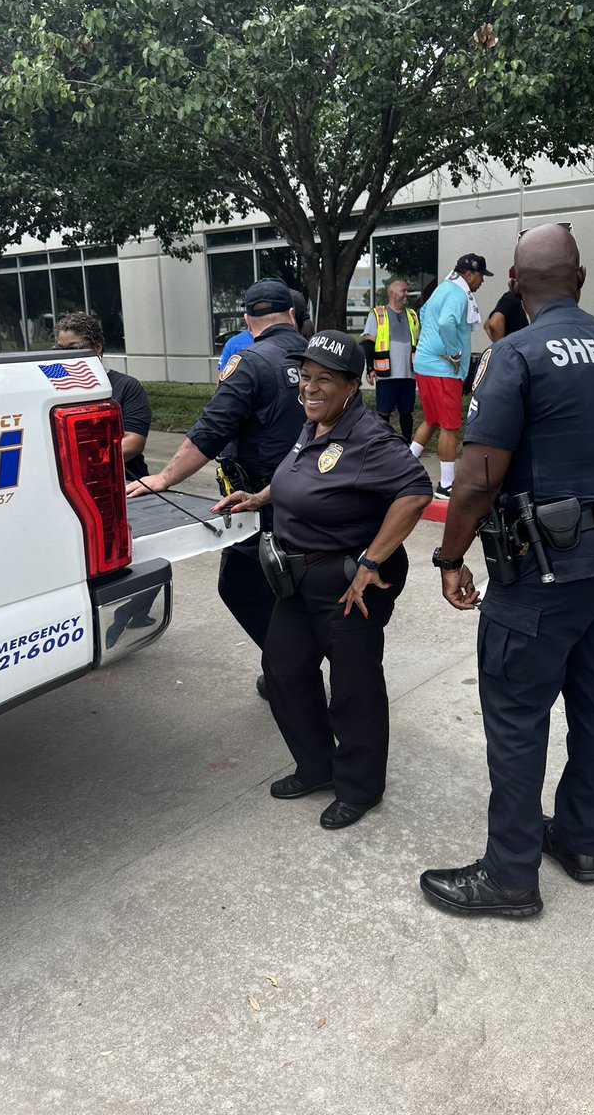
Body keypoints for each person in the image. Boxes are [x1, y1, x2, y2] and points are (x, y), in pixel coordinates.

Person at [420, 224, 594, 918]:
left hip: (542, 573)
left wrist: (449, 559)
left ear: (513, 279)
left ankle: (509, 876)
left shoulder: (516, 357)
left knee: (515, 713)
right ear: (581, 278)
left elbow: (475, 483)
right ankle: (580, 840)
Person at [214, 331, 432, 829]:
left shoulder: (369, 437)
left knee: (354, 688)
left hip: (346, 581)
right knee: (285, 669)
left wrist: (372, 562)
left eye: (324, 380)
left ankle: (359, 787)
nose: (309, 389)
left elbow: (416, 493)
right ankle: (316, 766)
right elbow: (300, 477)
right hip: (296, 577)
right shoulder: (313, 424)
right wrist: (260, 498)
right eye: (305, 378)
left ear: (352, 386)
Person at [127, 279, 307, 692]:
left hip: (266, 502)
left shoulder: (252, 362)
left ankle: (289, 671)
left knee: (242, 586)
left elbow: (212, 429)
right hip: (321, 496)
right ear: (292, 314)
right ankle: (299, 666)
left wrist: (165, 477)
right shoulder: (317, 357)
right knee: (298, 587)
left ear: (247, 319)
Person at [410, 253, 493, 500]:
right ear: (469, 274)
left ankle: (403, 465)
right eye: (480, 276)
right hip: (443, 370)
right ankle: (446, 485)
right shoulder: (458, 294)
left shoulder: (443, 287)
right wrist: (453, 353)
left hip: (426, 365)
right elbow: (446, 324)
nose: (482, 281)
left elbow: (424, 314)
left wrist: (431, 343)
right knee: (450, 426)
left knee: (432, 419)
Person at [54, 312, 152, 481]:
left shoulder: (127, 386)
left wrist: (85, 461)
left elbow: (133, 443)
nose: (65, 355)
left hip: (123, 481)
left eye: (73, 348)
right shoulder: (54, 388)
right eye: (59, 349)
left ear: (97, 347)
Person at [361, 278, 420, 442]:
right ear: (393, 293)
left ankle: (407, 445)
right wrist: (370, 368)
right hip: (387, 374)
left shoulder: (412, 315)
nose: (407, 294)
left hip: (408, 373)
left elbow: (418, 343)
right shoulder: (378, 314)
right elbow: (368, 342)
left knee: (406, 412)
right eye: (404, 290)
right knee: (383, 412)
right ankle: (382, 444)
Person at [482, 267, 528, 342]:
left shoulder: (509, 299)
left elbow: (487, 325)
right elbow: (494, 323)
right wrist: (502, 348)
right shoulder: (511, 300)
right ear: (513, 282)